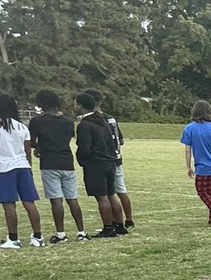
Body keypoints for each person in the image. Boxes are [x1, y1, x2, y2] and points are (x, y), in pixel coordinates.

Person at [29, 90, 87, 243]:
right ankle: (81, 232)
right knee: (72, 198)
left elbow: (32, 142)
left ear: (41, 104)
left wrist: (39, 148)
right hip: (67, 162)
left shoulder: (37, 122)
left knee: (56, 200)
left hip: (49, 163)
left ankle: (61, 234)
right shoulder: (68, 122)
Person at [82, 88, 134, 230]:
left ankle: (111, 224)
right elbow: (120, 140)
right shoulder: (111, 118)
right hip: (116, 157)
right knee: (119, 191)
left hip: (103, 160)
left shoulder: (96, 119)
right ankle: (127, 221)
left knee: (107, 194)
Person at [74, 92, 124, 237]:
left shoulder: (85, 125)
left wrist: (82, 160)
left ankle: (108, 228)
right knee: (111, 194)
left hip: (96, 164)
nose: (74, 106)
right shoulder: (104, 121)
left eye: (75, 104)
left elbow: (85, 148)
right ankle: (119, 225)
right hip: (110, 161)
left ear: (81, 106)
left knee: (102, 197)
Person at [0, 94, 43, 249]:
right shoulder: (22, 126)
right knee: (29, 203)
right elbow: (27, 151)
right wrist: (29, 168)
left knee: (9, 204)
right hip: (23, 167)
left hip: (4, 168)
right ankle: (38, 237)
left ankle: (13, 239)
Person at [181, 101, 211, 228]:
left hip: (202, 169)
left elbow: (188, 150)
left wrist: (188, 166)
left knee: (203, 192)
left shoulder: (189, 128)